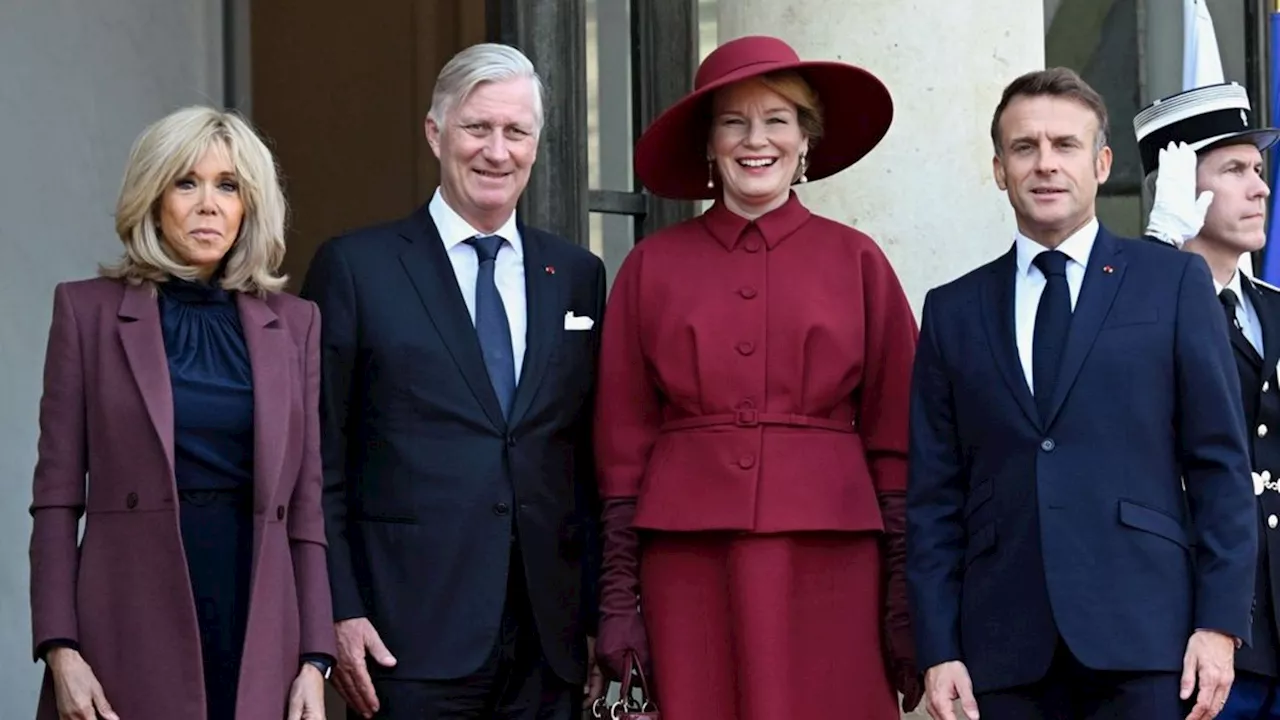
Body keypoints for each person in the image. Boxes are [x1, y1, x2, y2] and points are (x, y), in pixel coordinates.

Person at [906, 66, 1258, 720]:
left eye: (1065, 145)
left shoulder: (1171, 284)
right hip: (1002, 649)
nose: (1045, 164)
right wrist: (936, 646)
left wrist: (1219, 625)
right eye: (1024, 147)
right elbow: (933, 497)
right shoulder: (952, 310)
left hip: (1149, 642)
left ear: (1101, 163)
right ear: (998, 168)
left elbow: (1220, 468)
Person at [593, 34, 922, 720]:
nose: (756, 140)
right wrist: (618, 602)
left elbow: (899, 446)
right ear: (709, 146)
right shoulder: (651, 268)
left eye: (778, 120)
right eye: (734, 122)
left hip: (833, 565)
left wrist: (904, 600)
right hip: (686, 565)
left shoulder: (859, 261)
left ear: (807, 142)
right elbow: (622, 452)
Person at [300, 42, 606, 720]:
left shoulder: (577, 274)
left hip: (547, 646)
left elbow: (584, 459)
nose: (497, 151)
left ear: (536, 143)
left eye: (516, 131)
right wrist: (338, 609)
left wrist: (595, 616)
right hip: (405, 639)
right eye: (477, 128)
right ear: (436, 133)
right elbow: (319, 461)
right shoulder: (356, 268)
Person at [28, 106, 335, 720]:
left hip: (257, 613)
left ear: (250, 205)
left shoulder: (295, 323)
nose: (208, 204)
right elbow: (57, 500)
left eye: (228, 186)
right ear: (153, 196)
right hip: (126, 619)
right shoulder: (86, 313)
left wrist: (315, 657)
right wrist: (61, 648)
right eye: (185, 182)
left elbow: (305, 506)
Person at [1135, 82, 1280, 720]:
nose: (1261, 189)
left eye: (1259, 169)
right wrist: (1161, 249)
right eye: (1233, 170)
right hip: (1193, 640)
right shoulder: (1136, 311)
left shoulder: (1275, 308)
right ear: (1178, 187)